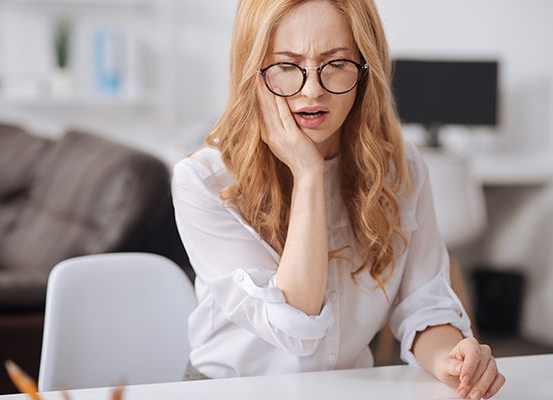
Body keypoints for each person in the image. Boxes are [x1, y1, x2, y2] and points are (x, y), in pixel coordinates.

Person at [172, 0, 506, 399]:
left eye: (336, 64)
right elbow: (296, 326)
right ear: (253, 71)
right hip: (229, 391)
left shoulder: (402, 166)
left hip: (345, 390)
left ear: (365, 70)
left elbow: (424, 306)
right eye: (285, 66)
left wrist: (455, 360)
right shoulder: (204, 181)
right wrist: (309, 175)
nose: (312, 90)